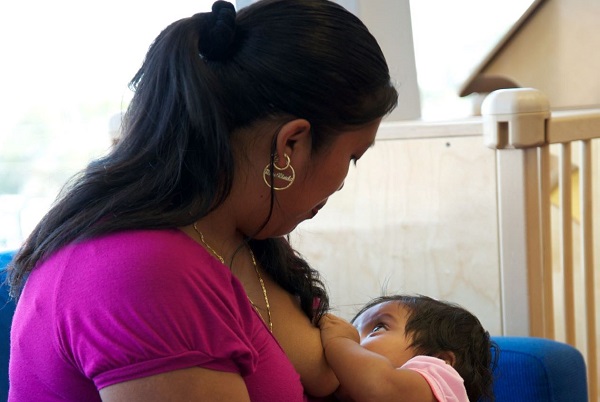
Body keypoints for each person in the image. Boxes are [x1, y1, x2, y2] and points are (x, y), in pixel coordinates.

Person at [5, 0, 397, 401]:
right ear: (291, 145)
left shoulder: (237, 237)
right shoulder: (142, 271)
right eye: (352, 157)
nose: (343, 182)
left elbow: (321, 374)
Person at [319, 295, 498, 402]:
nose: (354, 339)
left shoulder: (437, 379)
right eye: (353, 330)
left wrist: (338, 340)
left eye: (378, 327)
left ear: (439, 360)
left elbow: (379, 387)